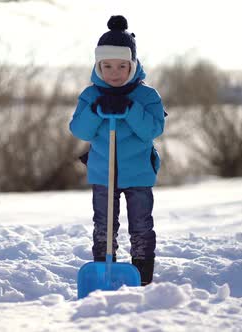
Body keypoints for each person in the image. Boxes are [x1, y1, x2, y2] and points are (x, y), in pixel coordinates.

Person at [69, 15, 166, 286]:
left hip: (138, 175)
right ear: (98, 66)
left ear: (132, 65)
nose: (114, 72)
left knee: (141, 226)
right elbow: (80, 131)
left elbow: (153, 130)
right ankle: (104, 267)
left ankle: (143, 273)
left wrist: (130, 110)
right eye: (107, 66)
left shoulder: (147, 97)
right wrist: (96, 111)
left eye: (122, 66)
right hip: (103, 173)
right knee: (104, 226)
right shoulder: (90, 96)